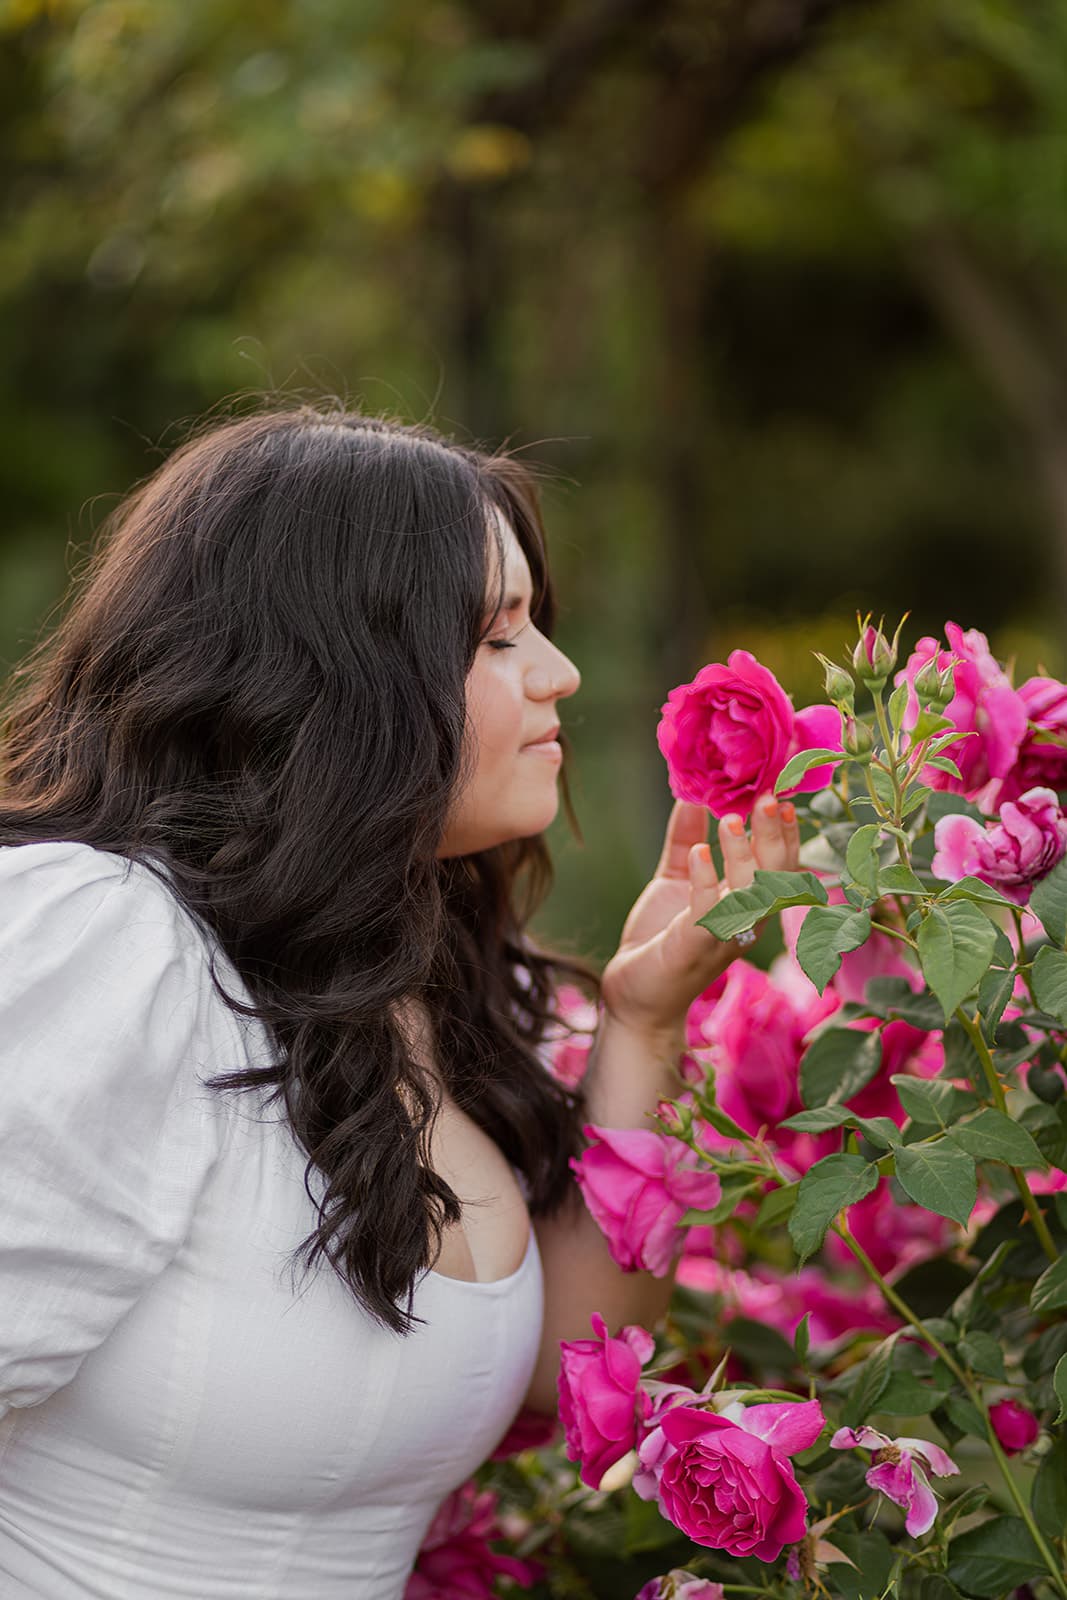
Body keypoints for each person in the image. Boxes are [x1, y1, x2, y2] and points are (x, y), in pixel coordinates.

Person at [0, 406, 798, 1598]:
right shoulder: (108, 935)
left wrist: (641, 1023)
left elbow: (555, 1367)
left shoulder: (418, 981)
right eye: (495, 636)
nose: (558, 674)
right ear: (331, 678)